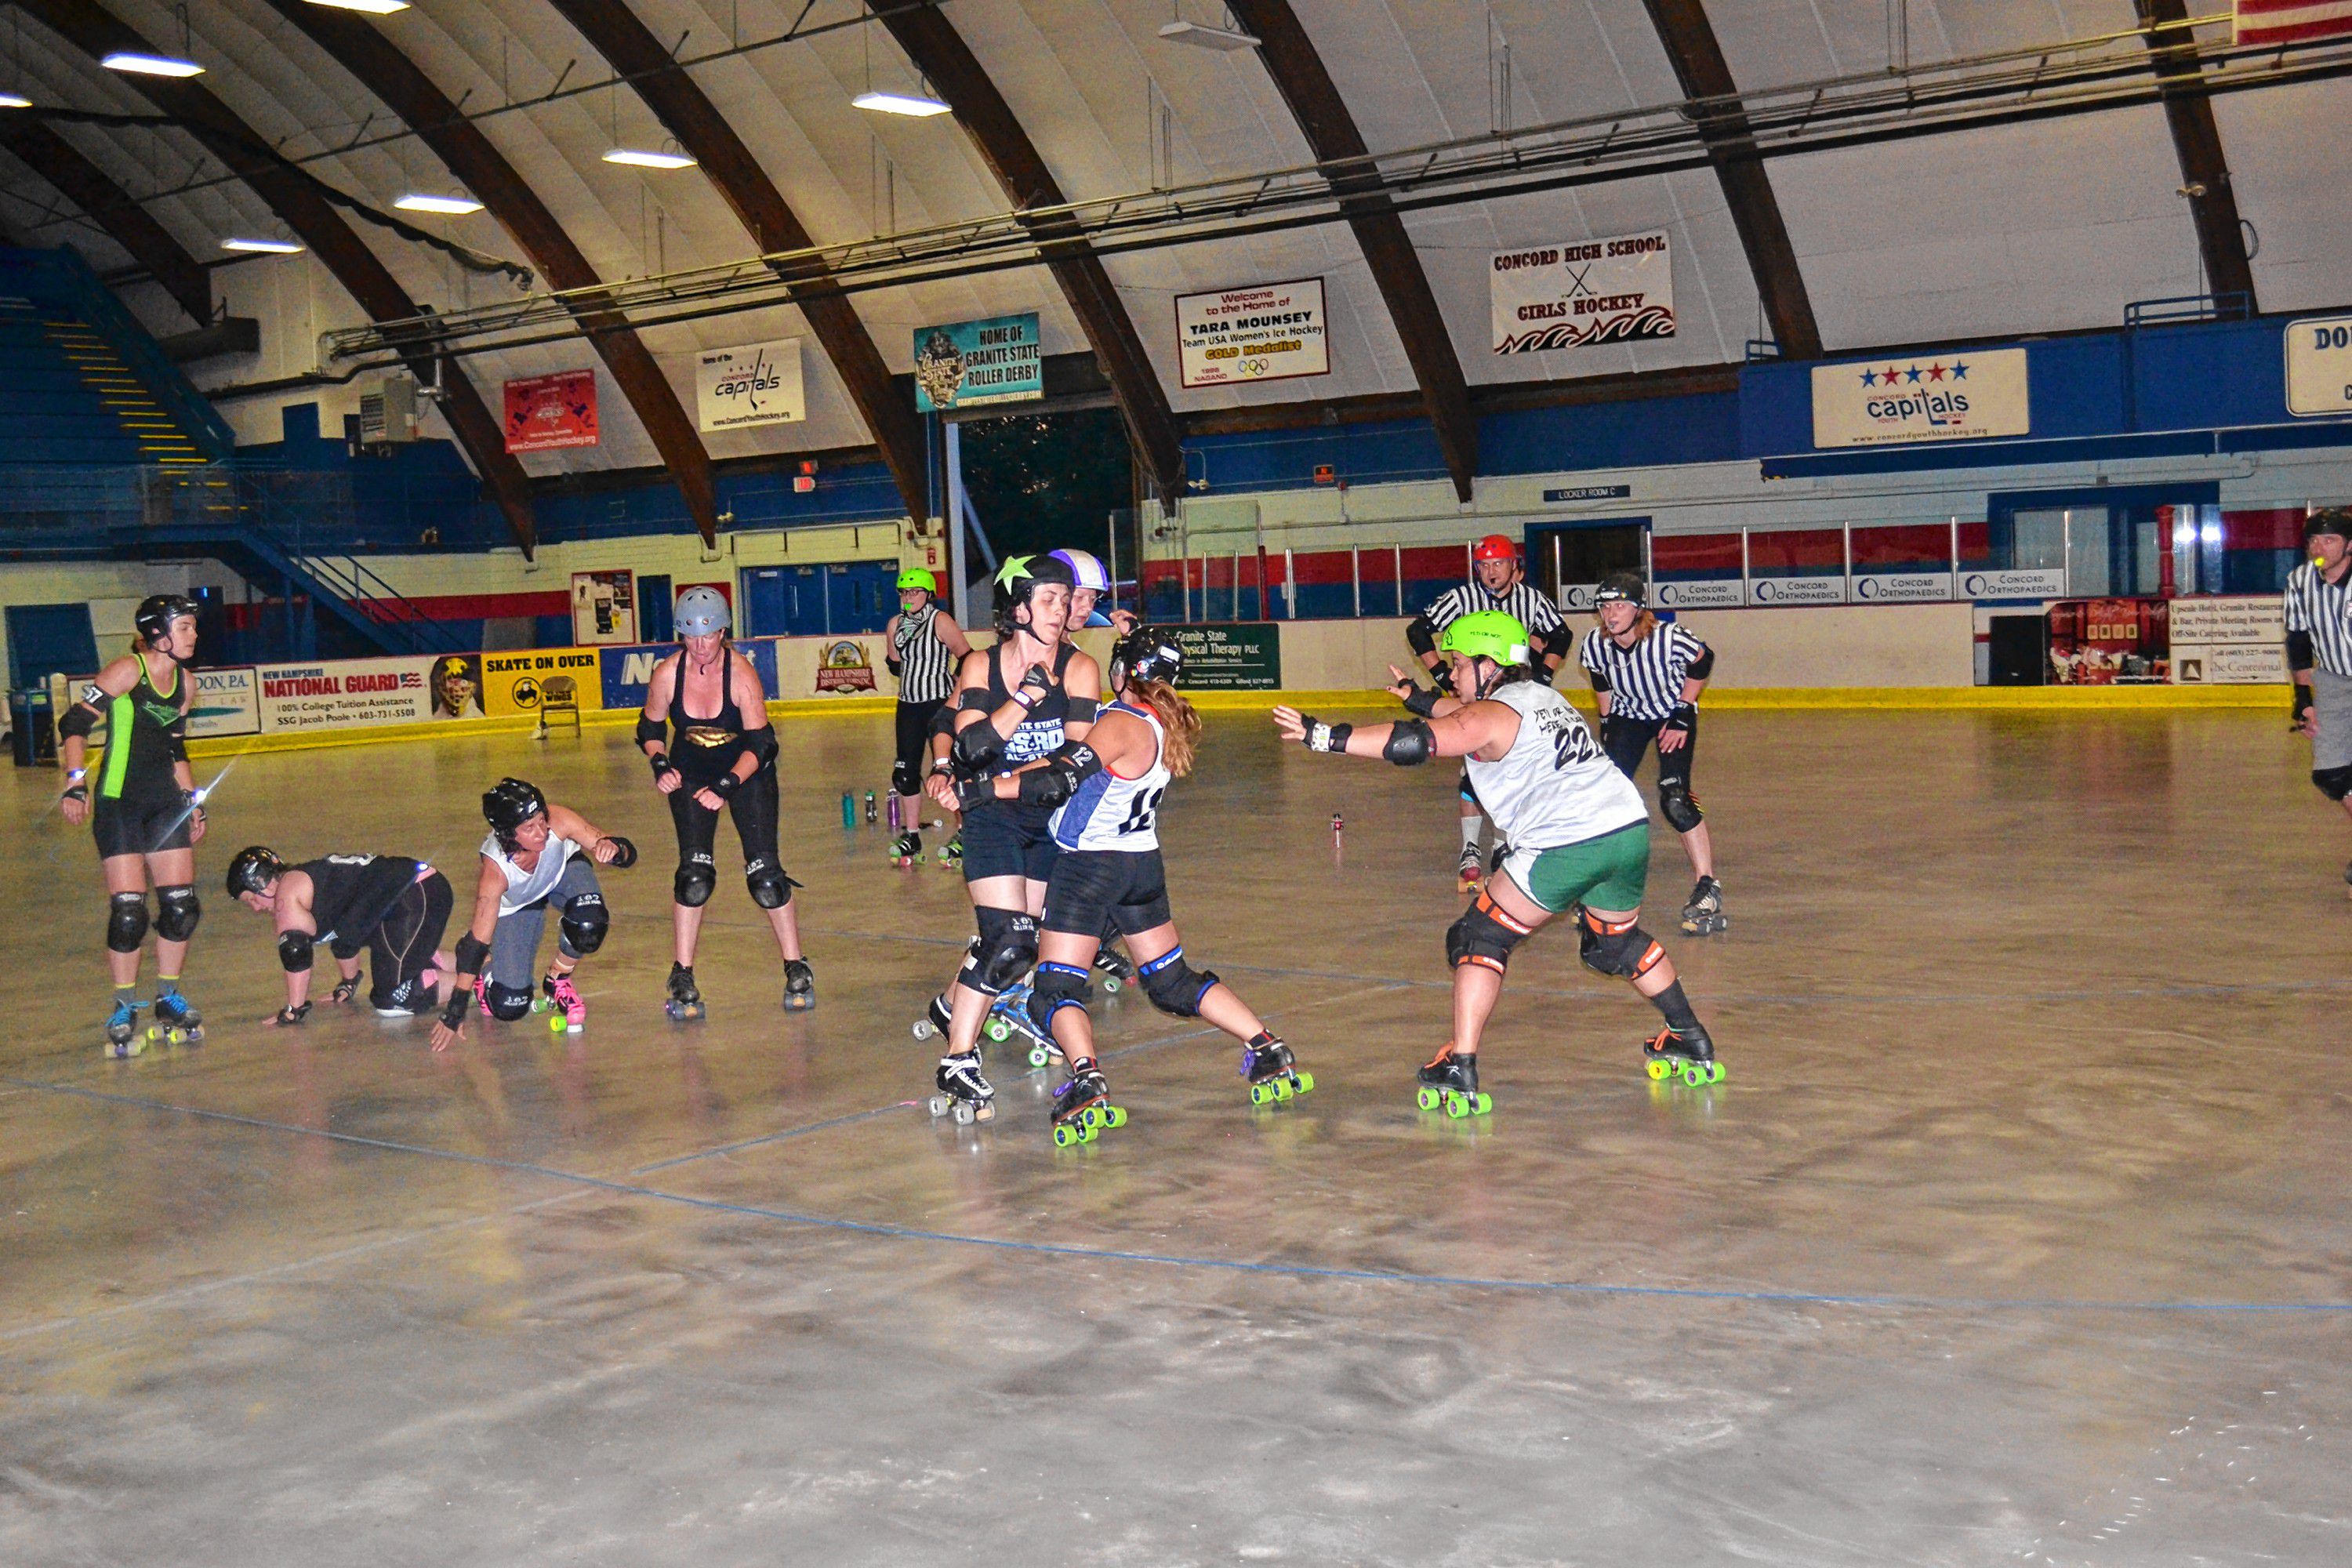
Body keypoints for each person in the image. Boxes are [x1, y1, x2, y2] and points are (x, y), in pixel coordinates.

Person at [1275, 610, 1722, 1114]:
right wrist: (1421, 699)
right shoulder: (1541, 698)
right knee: (1613, 946)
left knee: (1479, 937)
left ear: (1490, 665)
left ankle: (1459, 1064)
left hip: (1566, 842)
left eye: (1461, 664)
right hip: (1625, 830)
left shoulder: (1488, 714)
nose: (1454, 674)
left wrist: (1324, 736)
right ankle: (1688, 1033)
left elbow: (1417, 742)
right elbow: (1462, 716)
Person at [961, 626, 1305, 1144]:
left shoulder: (1121, 722)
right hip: (1140, 865)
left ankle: (1086, 1079)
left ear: (1123, 673)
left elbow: (1058, 780)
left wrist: (982, 789)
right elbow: (1057, 766)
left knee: (1053, 991)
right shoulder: (1159, 722)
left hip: (1090, 870)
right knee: (1169, 983)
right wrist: (1001, 782)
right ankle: (1267, 1046)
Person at [920, 554, 1100, 1123]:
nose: (1062, 610)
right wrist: (1022, 698)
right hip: (993, 817)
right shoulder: (979, 664)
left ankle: (953, 1005)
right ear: (1018, 609)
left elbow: (1074, 760)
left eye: (1065, 599)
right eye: (1048, 599)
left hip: (1045, 818)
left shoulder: (1081, 668)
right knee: (1009, 941)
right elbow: (970, 744)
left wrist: (993, 780)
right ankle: (958, 1059)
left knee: (1025, 940)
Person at [636, 586, 815, 1018]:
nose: (700, 647)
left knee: (766, 878)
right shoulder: (667, 674)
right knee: (694, 877)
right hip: (691, 775)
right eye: (691, 637)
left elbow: (763, 744)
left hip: (746, 774)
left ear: (723, 632)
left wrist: (728, 783)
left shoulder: (741, 674)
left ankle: (796, 964)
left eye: (709, 635)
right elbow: (648, 728)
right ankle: (682, 972)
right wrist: (660, 763)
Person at [55, 593, 209, 1054]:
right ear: (158, 634)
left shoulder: (186, 683)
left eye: (192, 628)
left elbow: (174, 748)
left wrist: (192, 801)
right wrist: (75, 783)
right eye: (185, 628)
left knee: (181, 906)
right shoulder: (128, 670)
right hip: (119, 803)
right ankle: (123, 1004)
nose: (194, 635)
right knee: (129, 913)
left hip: (164, 803)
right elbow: (74, 723)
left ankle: (168, 996)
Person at [1404, 535, 1572, 892]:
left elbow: (1561, 635)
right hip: (1475, 697)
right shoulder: (1461, 598)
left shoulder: (1531, 600)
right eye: (1483, 565)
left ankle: (1501, 844)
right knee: (1474, 770)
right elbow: (1418, 630)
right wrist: (1440, 674)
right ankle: (1469, 847)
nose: (1490, 572)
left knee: (1514, 771)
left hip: (1514, 698)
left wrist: (1544, 674)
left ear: (1515, 567)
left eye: (1498, 564)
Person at [429, 779, 633, 1050]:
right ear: (508, 835)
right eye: (529, 828)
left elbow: (625, 851)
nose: (542, 832)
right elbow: (475, 945)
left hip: (563, 873)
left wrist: (615, 849)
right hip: (521, 905)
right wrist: (454, 1011)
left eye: (542, 819)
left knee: (589, 923)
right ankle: (489, 971)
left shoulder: (558, 820)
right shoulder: (496, 873)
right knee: (509, 1005)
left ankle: (558, 978)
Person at [1577, 571, 1726, 935]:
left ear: (1638, 609)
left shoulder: (1668, 638)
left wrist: (1683, 710)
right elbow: (1601, 680)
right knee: (1605, 798)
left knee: (1675, 799)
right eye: (1605, 606)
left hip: (1671, 714)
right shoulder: (1596, 644)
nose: (1611, 614)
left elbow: (1703, 661)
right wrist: (1607, 721)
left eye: (1620, 606)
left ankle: (1708, 886)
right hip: (1629, 716)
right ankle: (1602, 888)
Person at [226, 847, 454, 1024]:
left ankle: (478, 985)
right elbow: (344, 937)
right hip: (418, 892)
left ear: (262, 883)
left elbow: (295, 950)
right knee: (409, 964)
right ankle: (477, 964)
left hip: (413, 896)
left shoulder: (287, 891)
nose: (256, 908)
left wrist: (294, 1010)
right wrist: (349, 981)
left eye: (252, 899)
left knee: (393, 998)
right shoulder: (309, 882)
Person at [883, 568, 971, 867]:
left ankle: (963, 831)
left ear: (929, 595)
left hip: (938, 704)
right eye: (904, 593)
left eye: (915, 592)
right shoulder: (895, 624)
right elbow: (895, 666)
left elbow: (967, 657)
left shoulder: (940, 621)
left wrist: (956, 696)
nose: (909, 598)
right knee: (905, 773)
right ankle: (911, 835)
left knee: (948, 769)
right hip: (908, 705)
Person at [2285, 507, 2352, 892]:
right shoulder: (2299, 581)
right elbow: (2297, 639)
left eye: (2329, 540)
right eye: (2312, 540)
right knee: (2331, 775)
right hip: (2333, 681)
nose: (2319, 548)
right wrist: (2302, 697)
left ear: (2348, 545)